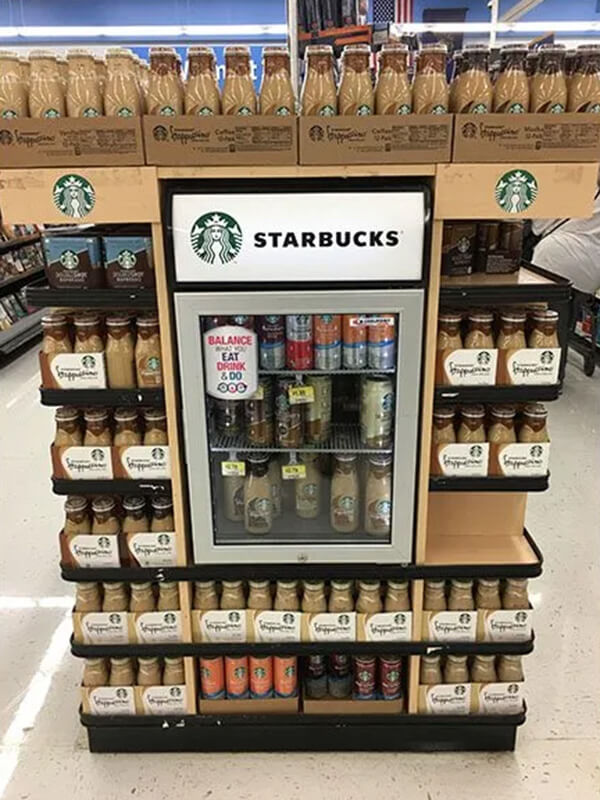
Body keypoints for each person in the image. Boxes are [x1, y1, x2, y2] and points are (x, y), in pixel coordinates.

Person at [531, 185, 600, 293]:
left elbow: (539, 226)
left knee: (537, 306)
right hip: (592, 265)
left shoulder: (574, 180)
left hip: (556, 254)